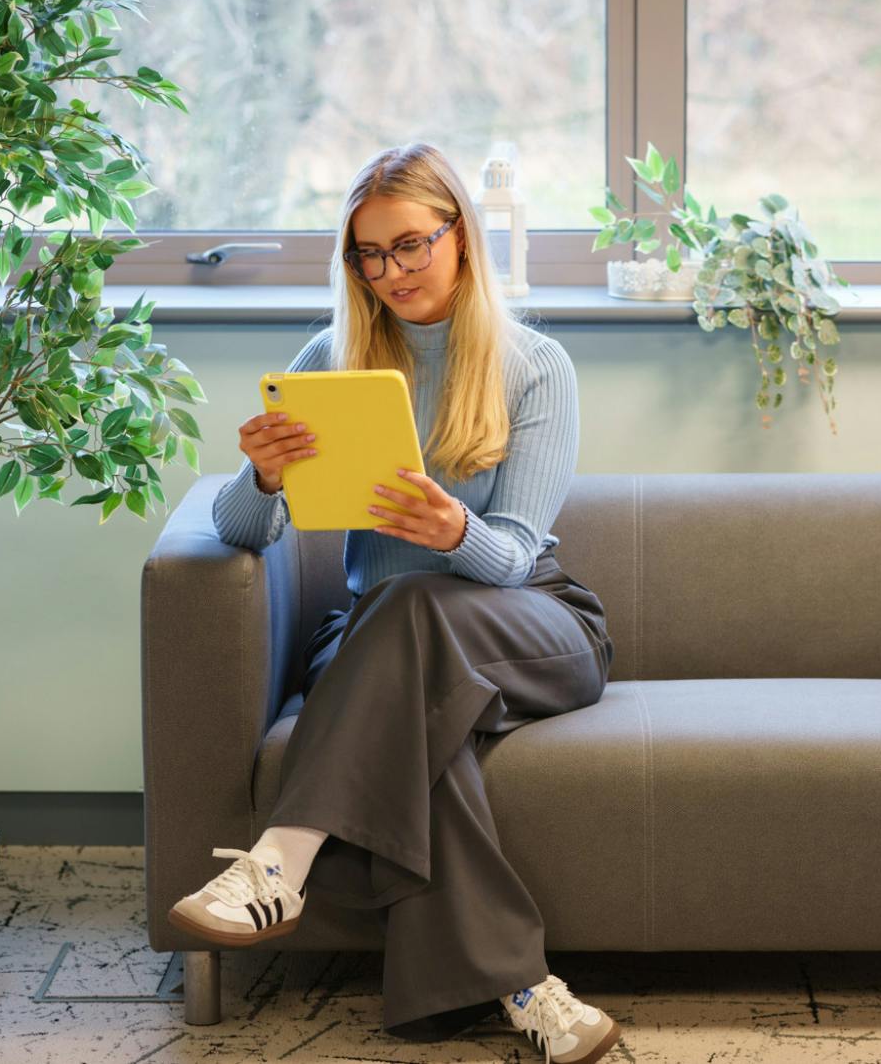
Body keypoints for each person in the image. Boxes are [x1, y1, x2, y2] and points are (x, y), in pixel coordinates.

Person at [167, 142, 622, 1064]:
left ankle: (279, 862)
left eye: (411, 245)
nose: (392, 272)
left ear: (462, 233)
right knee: (424, 723)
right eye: (370, 255)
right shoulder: (334, 357)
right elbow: (240, 531)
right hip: (384, 634)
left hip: (532, 619)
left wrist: (453, 529)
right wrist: (260, 473)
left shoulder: (536, 367)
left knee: (415, 604)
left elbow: (510, 559)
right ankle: (526, 987)